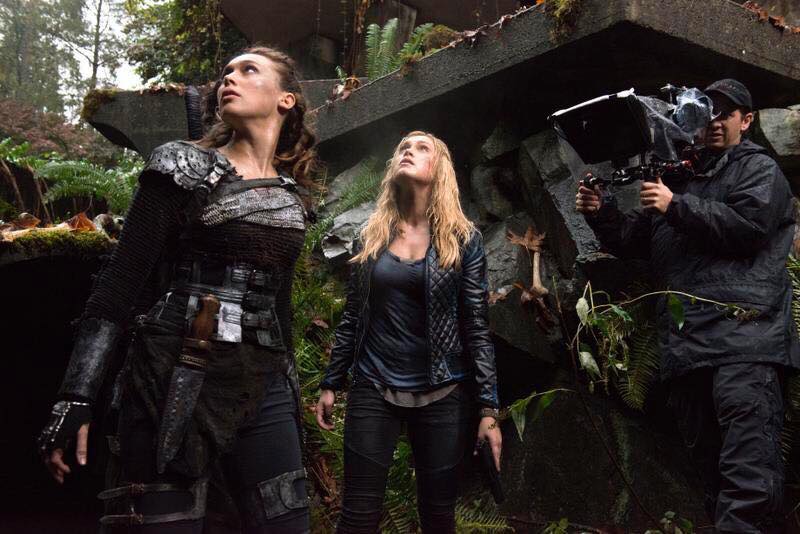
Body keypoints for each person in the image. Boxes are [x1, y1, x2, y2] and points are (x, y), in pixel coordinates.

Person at [37, 46, 316, 533]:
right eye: (225, 72)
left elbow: (280, 305)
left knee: (286, 522)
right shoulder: (181, 165)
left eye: (248, 70)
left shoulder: (291, 196)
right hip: (171, 370)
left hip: (261, 378)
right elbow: (121, 281)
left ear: (285, 99)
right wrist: (76, 396)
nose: (229, 78)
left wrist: (292, 396)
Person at [576, 78, 799, 533]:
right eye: (706, 111)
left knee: (749, 478)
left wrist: (675, 205)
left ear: (746, 120)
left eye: (725, 113)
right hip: (687, 350)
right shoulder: (678, 178)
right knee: (711, 480)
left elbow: (749, 227)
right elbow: (634, 241)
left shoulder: (759, 170)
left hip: (744, 344)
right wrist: (601, 211)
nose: (714, 121)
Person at [315, 131, 502, 533]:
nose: (408, 151)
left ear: (440, 170)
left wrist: (489, 410)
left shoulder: (464, 240)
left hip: (443, 391)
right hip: (373, 385)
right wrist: (331, 381)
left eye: (421, 148)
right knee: (357, 517)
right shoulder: (371, 236)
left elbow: (475, 325)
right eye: (402, 147)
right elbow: (353, 315)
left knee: (438, 517)